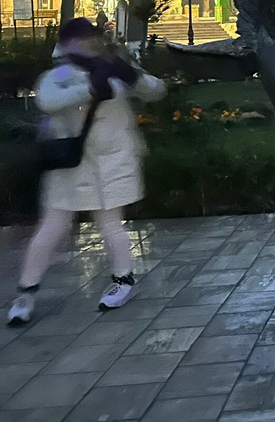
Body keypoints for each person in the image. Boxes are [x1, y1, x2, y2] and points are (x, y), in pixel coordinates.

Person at [7, 18, 165, 326]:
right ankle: (26, 292)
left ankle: (123, 280)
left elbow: (155, 90)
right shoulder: (63, 71)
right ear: (66, 43)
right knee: (52, 226)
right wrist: (91, 87)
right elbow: (48, 99)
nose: (89, 43)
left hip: (114, 161)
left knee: (111, 224)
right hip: (71, 164)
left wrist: (131, 74)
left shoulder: (115, 65)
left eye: (92, 37)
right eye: (80, 38)